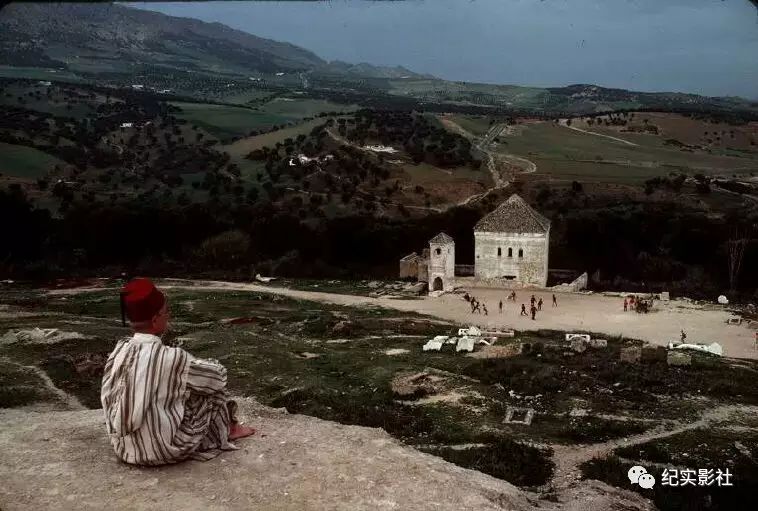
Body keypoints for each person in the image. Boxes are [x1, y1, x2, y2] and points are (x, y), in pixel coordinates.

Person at [101, 278, 255, 466]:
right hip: (164, 450)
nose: (169, 315)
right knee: (208, 386)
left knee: (181, 384)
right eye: (166, 311)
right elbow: (217, 378)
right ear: (155, 319)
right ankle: (230, 430)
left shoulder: (119, 350)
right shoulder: (173, 358)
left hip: (124, 450)